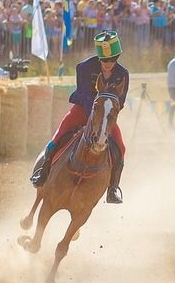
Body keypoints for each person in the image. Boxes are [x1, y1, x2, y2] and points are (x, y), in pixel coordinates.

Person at [30, 30, 129, 204]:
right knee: (59, 135)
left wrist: (105, 116)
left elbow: (120, 101)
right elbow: (83, 94)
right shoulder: (84, 68)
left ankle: (113, 188)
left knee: (120, 147)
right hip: (82, 110)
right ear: (99, 58)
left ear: (117, 57)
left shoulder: (123, 74)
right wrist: (94, 114)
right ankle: (44, 171)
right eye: (104, 60)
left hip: (105, 116)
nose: (108, 63)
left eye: (112, 59)